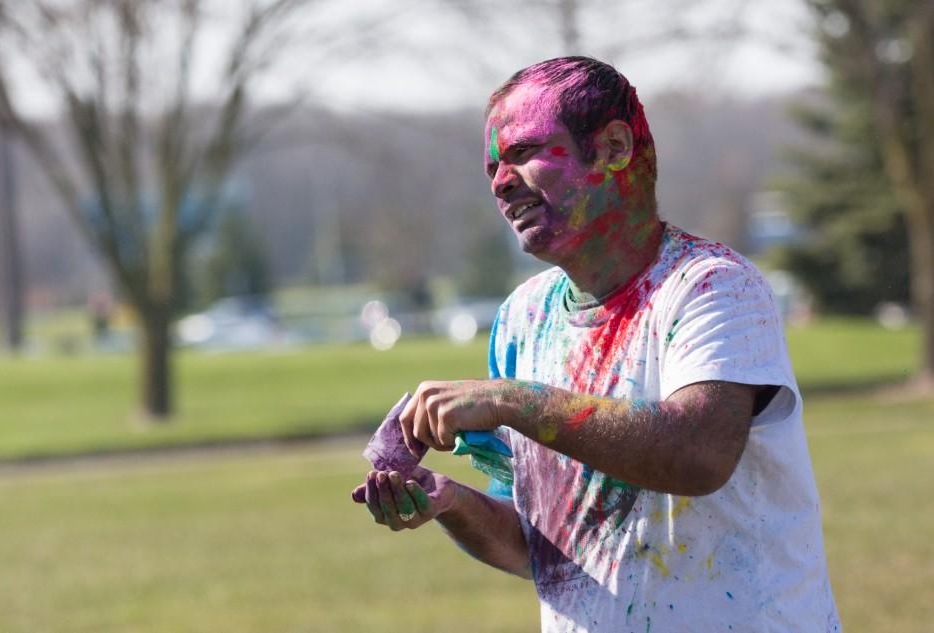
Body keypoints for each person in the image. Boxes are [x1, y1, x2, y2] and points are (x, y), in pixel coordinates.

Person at [352, 56, 841, 632]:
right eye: (491, 168)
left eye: (523, 153)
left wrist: (516, 401)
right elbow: (539, 550)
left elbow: (699, 453)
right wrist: (450, 504)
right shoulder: (522, 319)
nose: (501, 183)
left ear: (612, 147)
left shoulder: (712, 286)